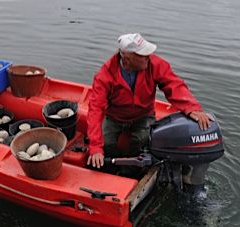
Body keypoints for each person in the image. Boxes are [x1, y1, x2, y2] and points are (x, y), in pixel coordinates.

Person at [87, 33, 211, 169]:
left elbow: (173, 85)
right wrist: (95, 147)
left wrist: (192, 108)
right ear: (127, 59)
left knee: (140, 140)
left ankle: (133, 171)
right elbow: (95, 109)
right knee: (107, 144)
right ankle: (114, 168)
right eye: (143, 55)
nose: (148, 57)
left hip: (143, 115)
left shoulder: (154, 64)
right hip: (114, 117)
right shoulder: (105, 75)